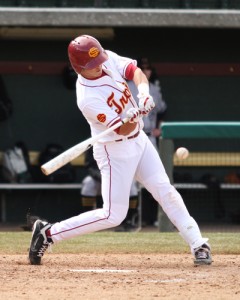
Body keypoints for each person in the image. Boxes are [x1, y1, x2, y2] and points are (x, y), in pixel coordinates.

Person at [28, 34, 212, 266]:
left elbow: (135, 72)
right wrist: (132, 116)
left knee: (165, 190)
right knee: (113, 215)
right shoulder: (87, 98)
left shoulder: (106, 59)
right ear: (79, 68)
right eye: (92, 66)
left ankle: (198, 244)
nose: (99, 66)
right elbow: (123, 129)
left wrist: (143, 94)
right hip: (114, 151)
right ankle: (48, 233)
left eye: (99, 61)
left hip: (140, 142)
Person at [128, 58, 167, 226]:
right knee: (130, 180)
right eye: (142, 68)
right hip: (130, 136)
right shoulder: (127, 86)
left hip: (150, 136)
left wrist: (159, 128)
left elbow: (163, 111)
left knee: (156, 178)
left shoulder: (154, 90)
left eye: (148, 68)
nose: (145, 71)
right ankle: (132, 218)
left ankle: (157, 218)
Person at [80, 148, 139, 231]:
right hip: (100, 177)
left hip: (119, 177)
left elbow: (128, 164)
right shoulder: (95, 143)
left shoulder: (122, 144)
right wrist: (103, 177)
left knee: (132, 186)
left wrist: (117, 177)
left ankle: (129, 221)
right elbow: (90, 166)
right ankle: (87, 221)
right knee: (88, 183)